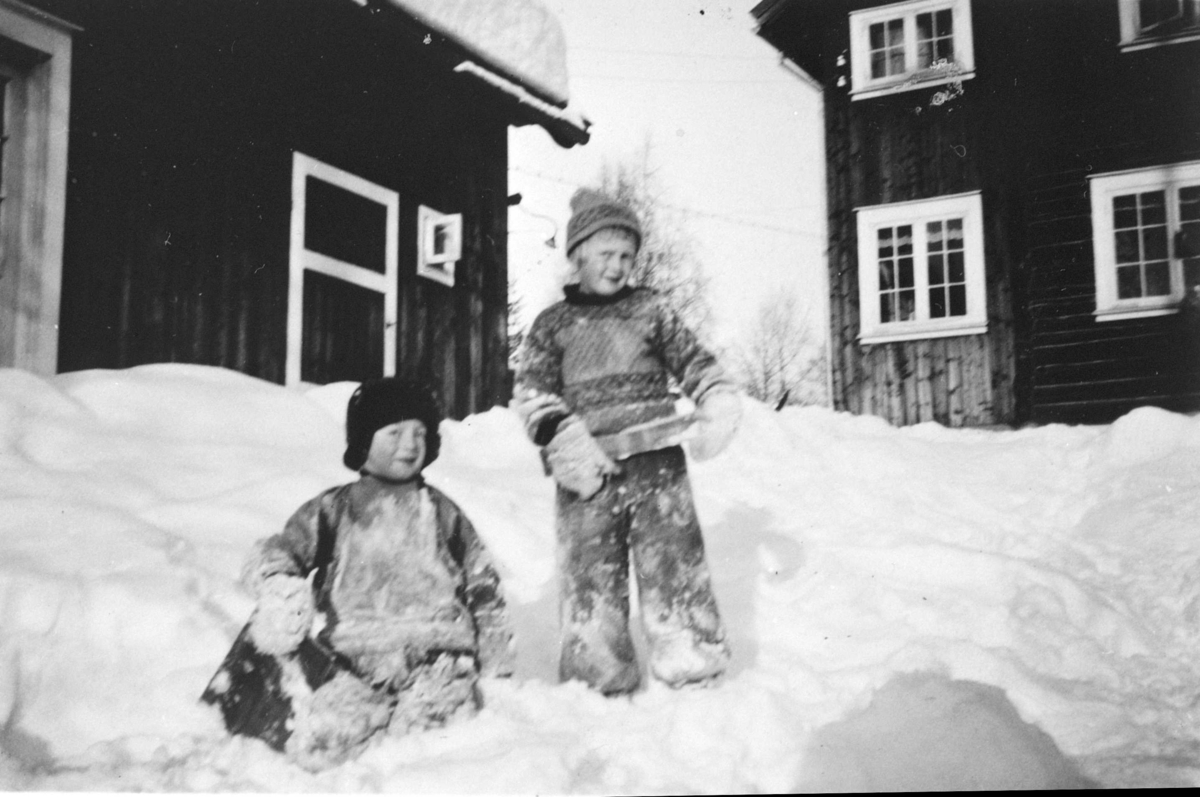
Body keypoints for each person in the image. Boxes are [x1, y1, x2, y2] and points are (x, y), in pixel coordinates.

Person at [512, 188, 742, 696]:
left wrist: (717, 397)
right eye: (605, 254)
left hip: (657, 463)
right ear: (577, 255)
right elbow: (531, 393)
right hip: (586, 470)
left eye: (626, 256)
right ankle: (598, 676)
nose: (617, 266)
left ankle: (691, 659)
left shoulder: (650, 309)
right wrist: (560, 435)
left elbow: (694, 361)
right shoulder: (553, 325)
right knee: (589, 573)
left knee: (674, 562)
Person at [239, 378, 514, 770]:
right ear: (364, 440)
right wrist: (278, 583)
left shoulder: (441, 511)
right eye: (394, 432)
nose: (410, 444)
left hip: (439, 657)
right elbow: (281, 549)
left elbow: (482, 580)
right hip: (353, 663)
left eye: (420, 432)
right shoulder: (335, 509)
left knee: (432, 746)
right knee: (324, 746)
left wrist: (495, 650)